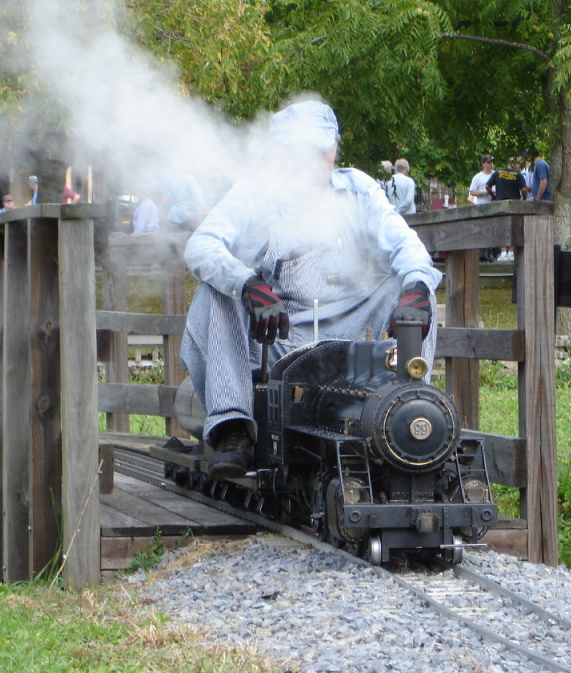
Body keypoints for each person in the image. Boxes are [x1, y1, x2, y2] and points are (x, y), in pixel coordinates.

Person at [180, 99, 441, 479]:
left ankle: (409, 411)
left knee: (418, 289)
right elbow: (200, 246)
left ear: (335, 145)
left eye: (321, 151)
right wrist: (249, 285)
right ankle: (232, 429)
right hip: (276, 337)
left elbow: (407, 246)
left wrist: (416, 286)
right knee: (214, 292)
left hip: (352, 330)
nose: (313, 163)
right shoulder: (254, 193)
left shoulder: (359, 190)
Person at [486, 158, 526, 262]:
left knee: (502, 227)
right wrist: (524, 198)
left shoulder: (498, 173)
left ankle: (503, 252)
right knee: (514, 228)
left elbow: (487, 186)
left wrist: (493, 196)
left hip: (501, 204)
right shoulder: (518, 174)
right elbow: (524, 189)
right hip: (514, 204)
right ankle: (511, 252)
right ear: (515, 164)